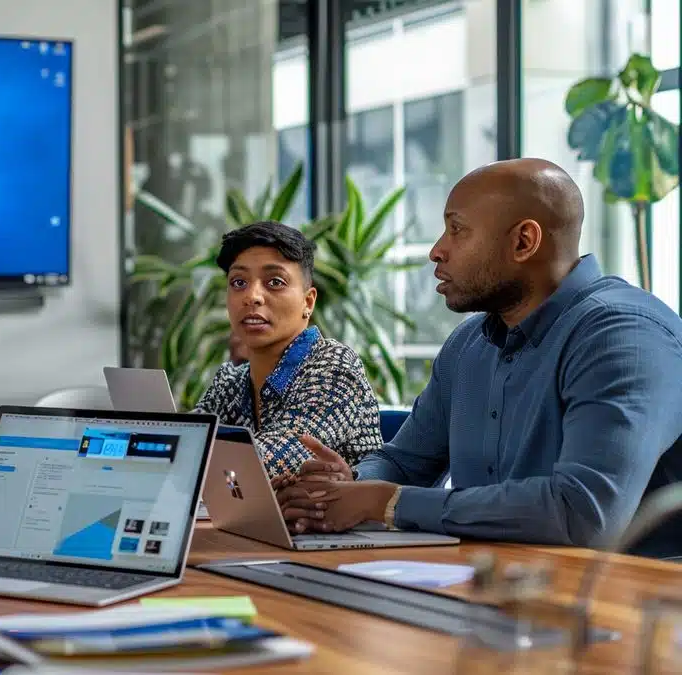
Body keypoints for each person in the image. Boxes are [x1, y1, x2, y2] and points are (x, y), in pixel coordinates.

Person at [278, 158, 682, 559]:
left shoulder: (624, 336)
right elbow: (403, 462)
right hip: (502, 582)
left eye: (457, 230)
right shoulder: (469, 342)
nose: (437, 251)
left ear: (524, 241)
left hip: (635, 604)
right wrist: (350, 486)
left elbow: (584, 513)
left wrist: (384, 502)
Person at [188, 220, 382, 479]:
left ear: (308, 302)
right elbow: (185, 439)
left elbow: (275, 459)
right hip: (256, 519)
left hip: (349, 520)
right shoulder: (232, 382)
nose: (252, 296)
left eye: (275, 281)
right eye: (238, 282)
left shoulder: (334, 367)